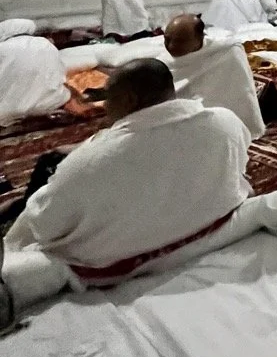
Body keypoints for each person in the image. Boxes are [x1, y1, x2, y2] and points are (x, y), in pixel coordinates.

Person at [4, 59, 252, 308]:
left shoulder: (92, 161)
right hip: (201, 226)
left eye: (109, 97)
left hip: (117, 260)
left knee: (42, 185)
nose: (105, 105)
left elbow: (45, 227)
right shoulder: (226, 122)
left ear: (129, 100)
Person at [163, 14, 265, 138]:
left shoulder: (226, 53)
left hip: (218, 119)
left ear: (200, 38)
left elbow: (241, 94)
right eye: (167, 39)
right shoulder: (164, 60)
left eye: (179, 41)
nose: (171, 46)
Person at [0, 22, 98, 123]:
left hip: (6, 110)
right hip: (49, 104)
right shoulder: (45, 44)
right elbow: (59, 73)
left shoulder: (3, 49)